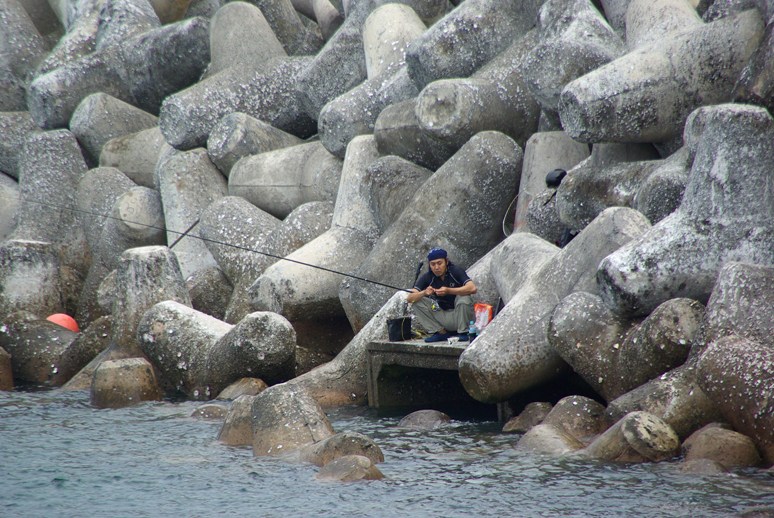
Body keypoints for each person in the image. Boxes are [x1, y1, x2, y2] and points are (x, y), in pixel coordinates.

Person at [407, 247, 477, 342]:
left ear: (446, 261)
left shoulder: (455, 271)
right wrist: (424, 293)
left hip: (460, 315)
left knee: (464, 297)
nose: (436, 267)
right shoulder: (427, 277)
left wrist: (449, 290)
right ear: (429, 265)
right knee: (417, 301)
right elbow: (410, 298)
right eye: (433, 264)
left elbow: (472, 288)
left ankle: (463, 332)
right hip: (442, 315)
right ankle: (440, 332)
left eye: (439, 263)